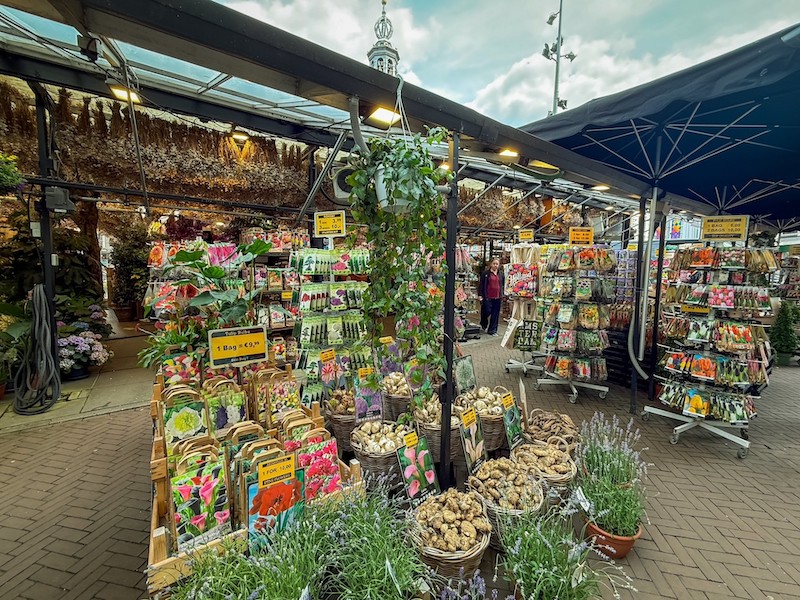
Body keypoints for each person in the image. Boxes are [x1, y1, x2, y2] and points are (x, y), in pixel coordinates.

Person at [478, 258, 505, 336]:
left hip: (497, 297)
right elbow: (481, 285)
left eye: (497, 264)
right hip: (488, 296)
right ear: (491, 264)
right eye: (494, 264)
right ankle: (483, 323)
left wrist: (503, 293)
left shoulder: (501, 274)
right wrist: (480, 295)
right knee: (486, 310)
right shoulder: (486, 274)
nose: (495, 265)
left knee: (495, 314)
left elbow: (502, 284)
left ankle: (492, 330)